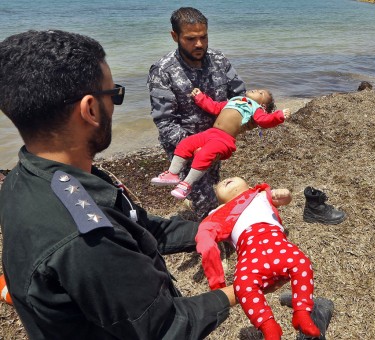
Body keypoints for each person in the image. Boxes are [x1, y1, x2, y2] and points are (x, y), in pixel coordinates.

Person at [0, 30, 238, 339]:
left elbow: (143, 229)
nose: (116, 105)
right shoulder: (86, 241)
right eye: (115, 95)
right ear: (90, 109)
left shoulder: (25, 179)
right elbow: (165, 328)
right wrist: (242, 289)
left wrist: (230, 225)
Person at [148, 7, 246, 218]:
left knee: (213, 182)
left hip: (217, 142)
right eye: (191, 39)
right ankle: (212, 237)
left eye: (203, 37)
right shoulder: (162, 71)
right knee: (208, 203)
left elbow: (239, 96)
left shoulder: (219, 60)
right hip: (186, 151)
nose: (199, 44)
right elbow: (165, 123)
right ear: (175, 36)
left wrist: (240, 124)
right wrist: (199, 146)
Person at [195, 177, 320, 340]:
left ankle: (302, 312)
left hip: (276, 241)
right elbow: (206, 236)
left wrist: (286, 194)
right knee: (242, 284)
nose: (226, 180)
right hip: (249, 250)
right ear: (218, 200)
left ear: (248, 186)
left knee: (301, 263)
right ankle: (268, 327)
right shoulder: (219, 212)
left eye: (233, 178)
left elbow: (284, 199)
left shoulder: (259, 194)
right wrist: (217, 283)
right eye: (219, 184)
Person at [151, 88, 291, 199]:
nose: (256, 90)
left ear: (263, 105)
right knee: (185, 144)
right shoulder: (234, 100)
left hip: (225, 140)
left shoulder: (256, 108)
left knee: (204, 155)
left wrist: (279, 115)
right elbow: (214, 106)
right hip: (211, 133)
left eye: (261, 93)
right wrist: (200, 97)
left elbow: (265, 120)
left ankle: (186, 184)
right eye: (257, 89)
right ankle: (172, 173)